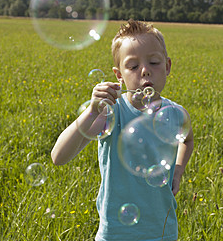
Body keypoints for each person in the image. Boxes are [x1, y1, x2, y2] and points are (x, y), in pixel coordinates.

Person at [51, 19, 194, 240]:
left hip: (162, 231)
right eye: (133, 66)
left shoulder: (174, 113)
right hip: (115, 232)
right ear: (119, 76)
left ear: (167, 67)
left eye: (154, 62)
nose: (145, 71)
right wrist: (91, 111)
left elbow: (187, 139)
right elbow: (58, 157)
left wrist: (178, 170)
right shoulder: (110, 113)